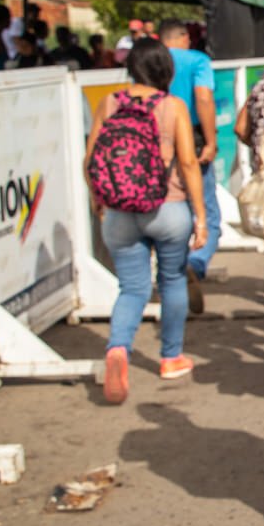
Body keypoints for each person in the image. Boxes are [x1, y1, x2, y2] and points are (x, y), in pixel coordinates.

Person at [87, 38, 208, 404]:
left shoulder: (109, 103)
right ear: (164, 70)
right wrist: (200, 217)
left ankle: (118, 349)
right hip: (167, 209)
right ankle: (171, 357)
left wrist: (99, 199)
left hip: (120, 211)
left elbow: (90, 157)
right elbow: (188, 163)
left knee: (132, 288)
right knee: (171, 280)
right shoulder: (173, 107)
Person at [159, 20, 220, 313]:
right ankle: (194, 263)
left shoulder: (153, 61)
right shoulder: (198, 60)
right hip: (191, 137)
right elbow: (204, 97)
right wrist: (210, 139)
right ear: (184, 37)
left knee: (169, 206)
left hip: (156, 142)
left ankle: (172, 269)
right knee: (205, 207)